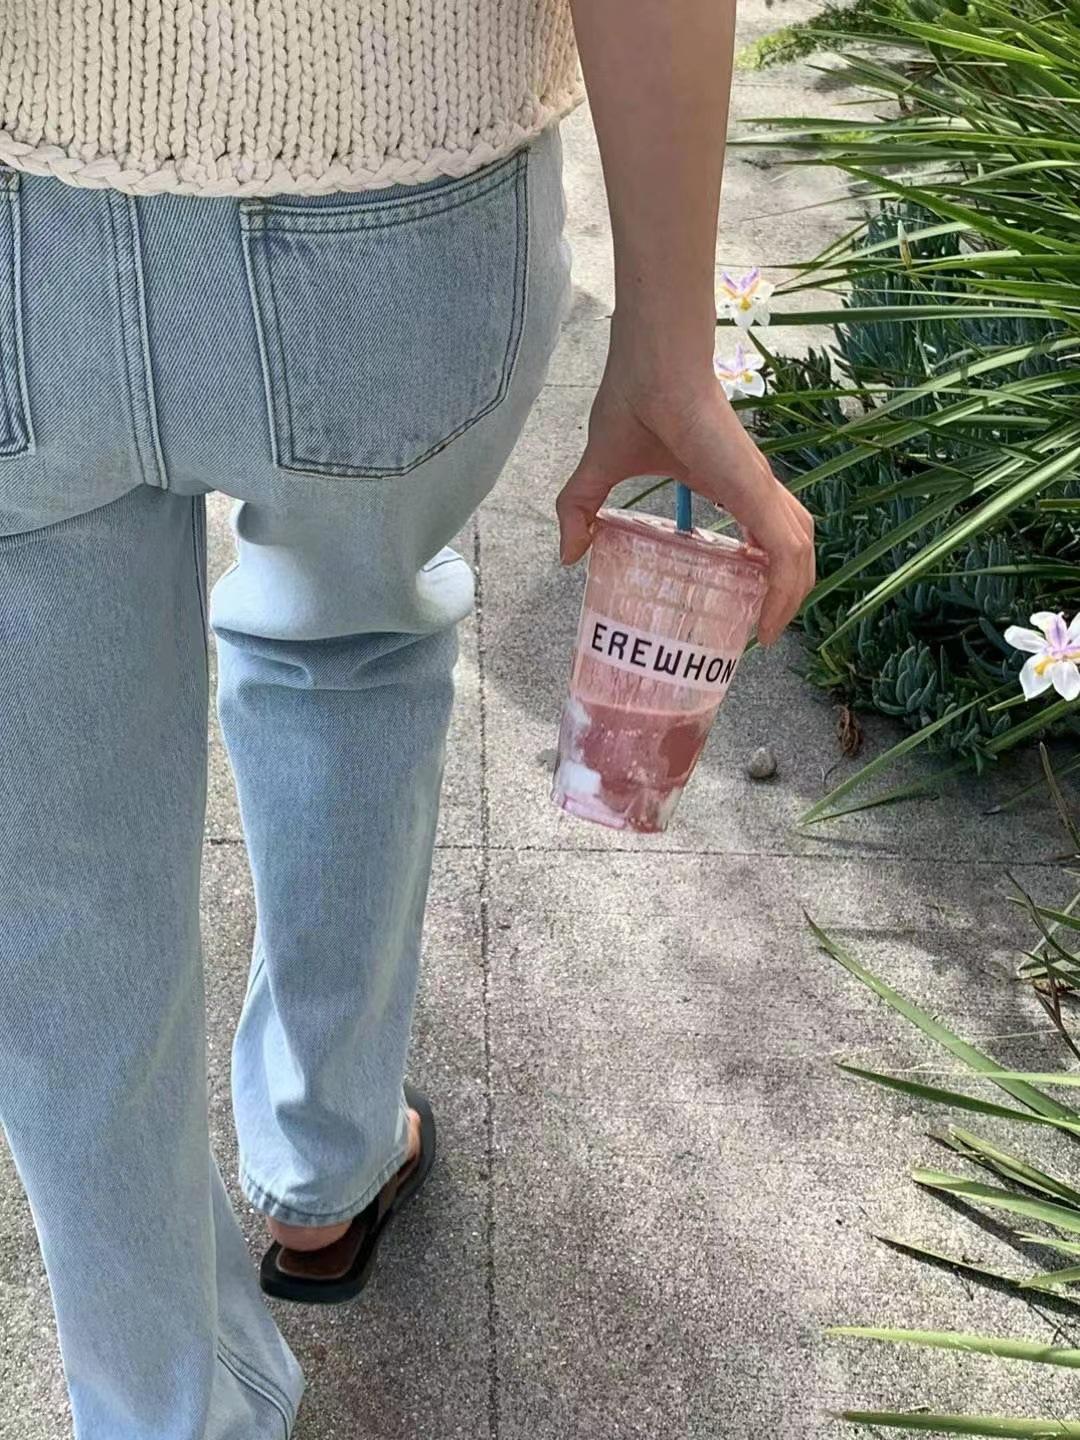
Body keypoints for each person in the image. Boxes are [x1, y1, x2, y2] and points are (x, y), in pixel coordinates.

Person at [0, 1, 815, 1436]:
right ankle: (324, 1159)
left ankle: (168, 1414)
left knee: (57, 896)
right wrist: (670, 344)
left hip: (19, 209)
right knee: (350, 648)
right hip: (389, 183)